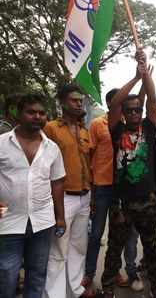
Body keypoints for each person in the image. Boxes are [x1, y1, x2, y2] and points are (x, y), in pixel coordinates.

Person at [100, 48, 156, 298]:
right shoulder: (117, 130)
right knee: (114, 248)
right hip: (122, 202)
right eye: (131, 110)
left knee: (150, 246)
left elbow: (153, 98)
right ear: (124, 114)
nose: (135, 113)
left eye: (138, 109)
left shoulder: (149, 127)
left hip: (147, 200)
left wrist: (144, 68)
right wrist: (136, 78)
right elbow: (116, 102)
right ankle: (107, 288)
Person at [0, 93, 66, 298]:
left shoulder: (52, 148)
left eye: (41, 113)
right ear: (18, 114)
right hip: (8, 221)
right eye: (31, 112)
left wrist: (60, 217)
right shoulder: (2, 143)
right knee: (7, 275)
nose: (37, 116)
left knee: (37, 274)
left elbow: (57, 183)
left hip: (42, 222)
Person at [82, 90, 142, 297]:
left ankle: (116, 272)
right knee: (96, 234)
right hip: (102, 187)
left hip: (122, 189)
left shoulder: (127, 127)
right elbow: (89, 154)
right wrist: (90, 187)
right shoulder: (98, 124)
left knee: (120, 235)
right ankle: (88, 276)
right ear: (110, 104)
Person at [43, 84, 92, 298]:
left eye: (80, 100)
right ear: (62, 103)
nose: (79, 103)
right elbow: (44, 165)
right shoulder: (51, 128)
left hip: (84, 196)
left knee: (78, 247)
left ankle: (76, 290)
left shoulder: (84, 130)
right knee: (58, 249)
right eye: (74, 100)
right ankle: (54, 295)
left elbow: (88, 162)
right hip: (62, 197)